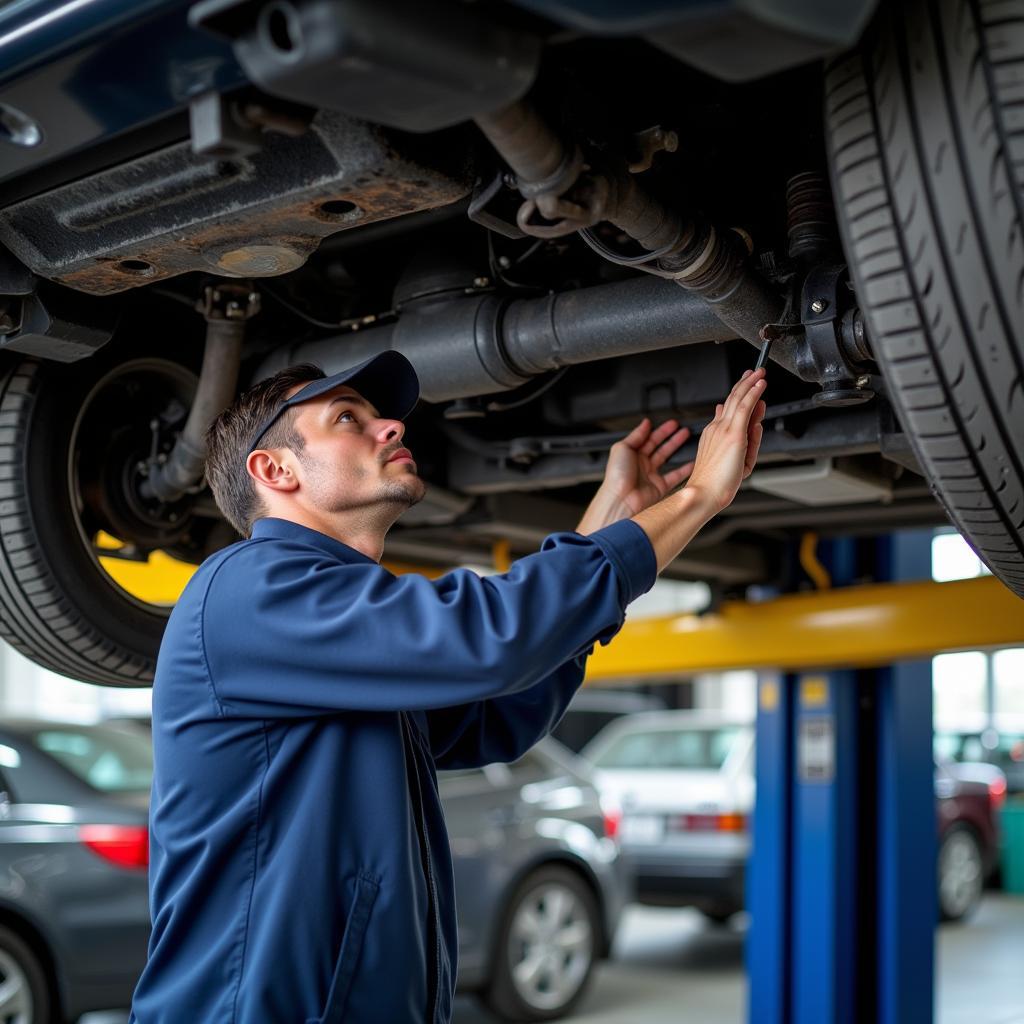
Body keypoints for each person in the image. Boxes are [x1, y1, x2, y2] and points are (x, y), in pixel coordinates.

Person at [127, 350, 767, 1024]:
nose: (393, 427)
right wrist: (697, 498)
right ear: (275, 469)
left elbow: (495, 711)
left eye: (381, 416)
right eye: (349, 418)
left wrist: (604, 532)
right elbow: (488, 638)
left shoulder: (338, 630)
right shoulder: (249, 589)